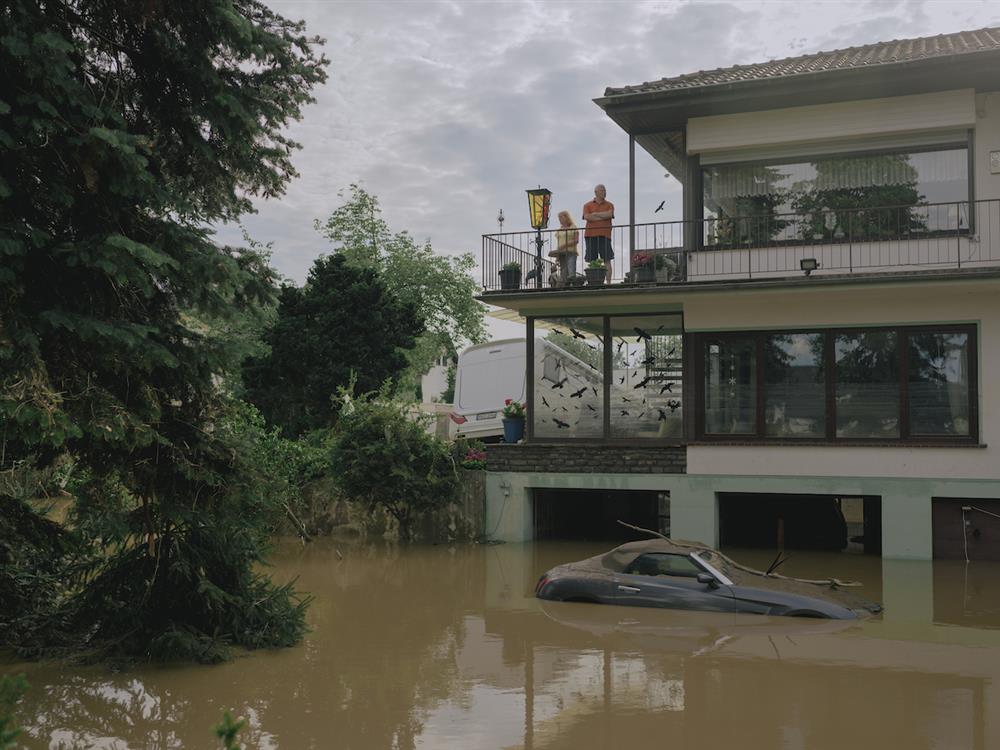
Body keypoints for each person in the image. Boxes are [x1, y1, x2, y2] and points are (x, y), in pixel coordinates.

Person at [583, 184, 615, 283]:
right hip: (590, 235)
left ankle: (608, 282)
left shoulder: (610, 204)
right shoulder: (587, 205)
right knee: (592, 260)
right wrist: (602, 216)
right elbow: (588, 217)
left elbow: (609, 214)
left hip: (605, 235)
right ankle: (594, 282)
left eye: (605, 190)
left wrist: (596, 214)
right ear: (596, 192)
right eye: (602, 190)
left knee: (607, 259)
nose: (604, 192)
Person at [549, 210, 580, 287]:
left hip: (571, 252)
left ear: (566, 218)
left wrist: (565, 245)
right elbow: (559, 243)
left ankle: (572, 285)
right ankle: (564, 286)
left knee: (571, 270)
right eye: (559, 218)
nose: (560, 220)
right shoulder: (559, 230)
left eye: (561, 218)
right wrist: (557, 257)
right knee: (564, 271)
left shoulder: (573, 227)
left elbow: (576, 240)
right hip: (561, 253)